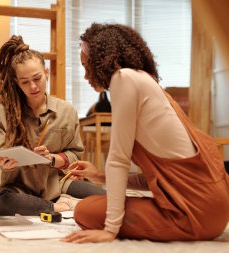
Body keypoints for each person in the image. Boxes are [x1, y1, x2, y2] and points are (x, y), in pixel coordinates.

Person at [63, 23, 229, 243]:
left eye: (86, 66)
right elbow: (159, 177)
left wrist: (110, 230)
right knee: (93, 204)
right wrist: (99, 176)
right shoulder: (144, 80)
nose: (85, 76)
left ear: (101, 61)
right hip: (216, 208)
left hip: (195, 212)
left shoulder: (123, 79)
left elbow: (118, 159)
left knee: (85, 211)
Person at [0, 35, 105, 216]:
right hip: (18, 187)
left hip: (58, 184)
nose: (33, 87)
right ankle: (53, 207)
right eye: (25, 82)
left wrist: (52, 158)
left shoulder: (66, 110)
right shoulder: (3, 111)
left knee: (106, 198)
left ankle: (43, 204)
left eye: (37, 78)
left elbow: (75, 154)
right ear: (16, 82)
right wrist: (6, 164)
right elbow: (3, 155)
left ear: (46, 73)